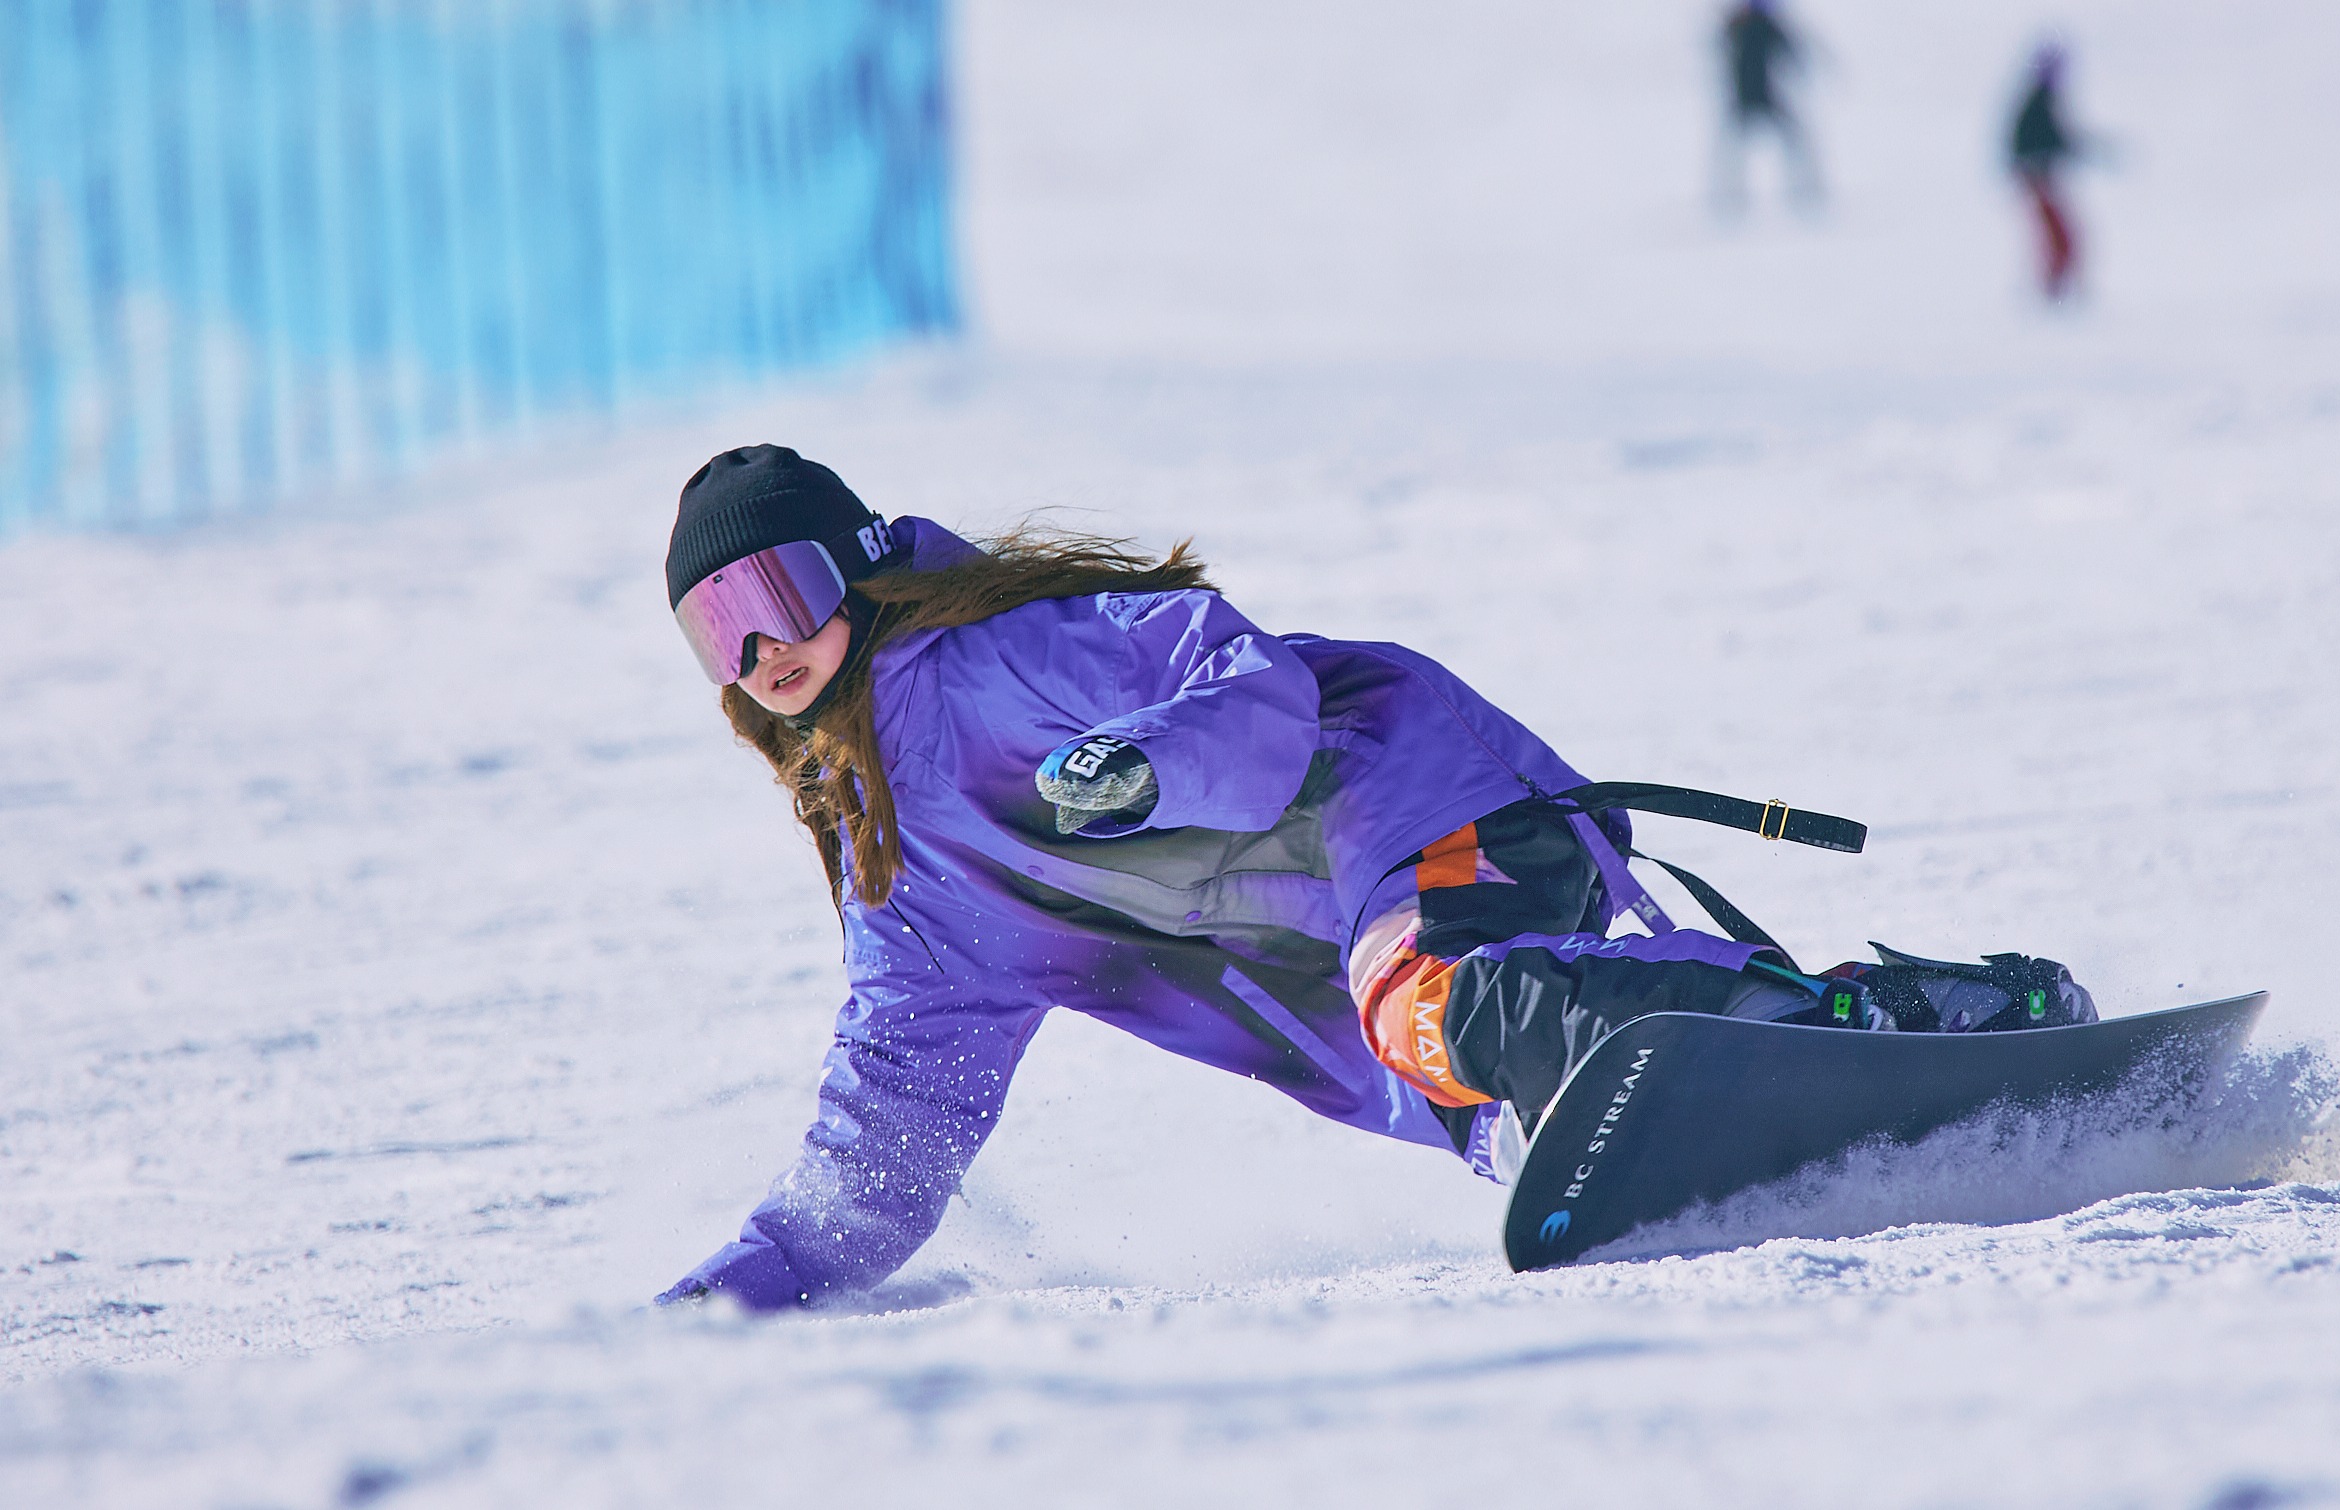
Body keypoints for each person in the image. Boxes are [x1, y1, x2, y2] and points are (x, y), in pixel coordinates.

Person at [653, 445, 2095, 1311]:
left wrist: (1156, 764)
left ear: (853, 567)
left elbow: (1233, 671)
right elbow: (888, 1117)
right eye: (717, 630)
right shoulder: (901, 883)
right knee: (1506, 1113)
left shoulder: (997, 657)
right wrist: (747, 1287)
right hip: (1406, 1019)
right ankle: (1771, 1062)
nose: (759, 648)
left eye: (773, 593)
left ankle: (1904, 1019)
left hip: (1418, 812)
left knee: (1427, 1001)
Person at [1715, 1, 1821, 213]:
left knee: (1793, 140)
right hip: (1748, 98)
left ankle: (1807, 189)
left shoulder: (1753, 26)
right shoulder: (1741, 27)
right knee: (1732, 150)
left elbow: (1791, 50)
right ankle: (1729, 197)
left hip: (1760, 96)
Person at [2008, 41, 2085, 301]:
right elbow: (2041, 140)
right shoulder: (2037, 103)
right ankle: (2053, 290)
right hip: (2037, 178)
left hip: (2039, 178)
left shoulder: (2040, 101)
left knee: (2059, 235)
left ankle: (2057, 287)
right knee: (2059, 236)